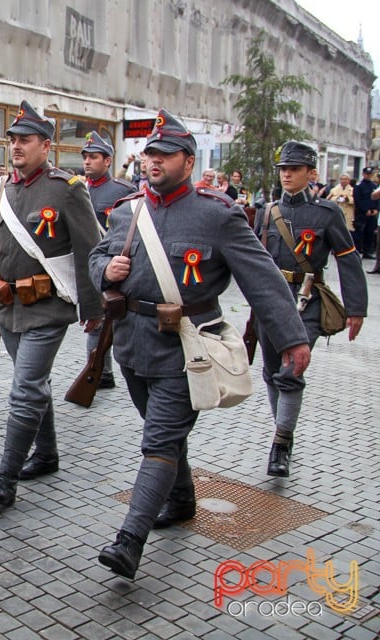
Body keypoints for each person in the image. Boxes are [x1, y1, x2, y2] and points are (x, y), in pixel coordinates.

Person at [88, 110, 311, 580]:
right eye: (149, 154)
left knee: (158, 440)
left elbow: (263, 280)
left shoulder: (218, 214)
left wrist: (292, 338)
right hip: (131, 343)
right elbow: (99, 256)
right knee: (161, 429)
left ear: (188, 163)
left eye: (164, 155)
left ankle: (129, 540)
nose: (153, 162)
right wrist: (105, 272)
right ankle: (183, 499)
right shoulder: (128, 210)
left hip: (186, 349)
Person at [0, 101, 103, 505]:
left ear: (45, 146)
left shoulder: (67, 190)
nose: (15, 146)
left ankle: (5, 478)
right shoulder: (1, 190)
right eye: (11, 139)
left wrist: (94, 309)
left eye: (25, 140)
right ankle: (46, 453)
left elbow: (91, 250)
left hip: (49, 307)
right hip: (9, 305)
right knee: (35, 384)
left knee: (25, 388)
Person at [257, 141, 366, 477]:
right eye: (283, 169)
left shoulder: (326, 213)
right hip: (271, 301)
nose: (286, 174)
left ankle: (281, 443)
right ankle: (283, 430)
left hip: (307, 300)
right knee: (272, 373)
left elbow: (348, 259)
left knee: (291, 372)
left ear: (310, 173)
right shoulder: (268, 211)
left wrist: (356, 308)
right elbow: (255, 259)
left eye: (294, 169)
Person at [81, 131, 135, 390]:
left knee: (99, 322)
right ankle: (102, 370)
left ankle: (98, 371)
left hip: (110, 266)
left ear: (107, 161)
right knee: (93, 321)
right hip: (84, 265)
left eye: (93, 157)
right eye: (85, 157)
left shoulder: (123, 191)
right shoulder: (76, 187)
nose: (87, 162)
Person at [353, 166, 378, 258]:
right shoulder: (359, 186)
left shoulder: (374, 186)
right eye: (367, 174)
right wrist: (365, 210)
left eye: (370, 174)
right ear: (363, 174)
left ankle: (367, 251)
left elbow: (376, 199)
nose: (368, 176)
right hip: (362, 214)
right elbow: (358, 200)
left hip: (372, 213)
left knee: (370, 233)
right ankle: (357, 251)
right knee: (359, 232)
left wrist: (376, 209)